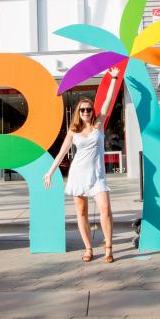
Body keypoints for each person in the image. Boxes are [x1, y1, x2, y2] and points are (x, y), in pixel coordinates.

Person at [44, 67, 120, 263]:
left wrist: (114, 78)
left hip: (97, 177)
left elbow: (107, 102)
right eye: (83, 110)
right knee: (81, 212)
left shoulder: (98, 125)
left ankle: (108, 248)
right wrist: (50, 172)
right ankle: (88, 248)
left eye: (88, 109)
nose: (86, 112)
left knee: (105, 209)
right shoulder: (73, 131)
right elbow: (61, 153)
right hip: (78, 174)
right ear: (78, 112)